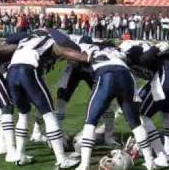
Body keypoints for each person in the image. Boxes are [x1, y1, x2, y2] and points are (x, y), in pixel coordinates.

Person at [50, 33, 156, 170]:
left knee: (91, 121)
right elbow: (136, 54)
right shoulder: (116, 49)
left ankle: (85, 164)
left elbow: (70, 55)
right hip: (126, 76)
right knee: (135, 123)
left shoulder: (84, 46)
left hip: (106, 75)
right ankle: (150, 162)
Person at [5, 29, 87, 168]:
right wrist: (85, 57)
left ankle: (20, 155)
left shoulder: (25, 40)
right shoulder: (49, 41)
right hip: (28, 71)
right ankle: (62, 159)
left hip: (11, 73)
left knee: (23, 114)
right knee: (49, 114)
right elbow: (62, 51)